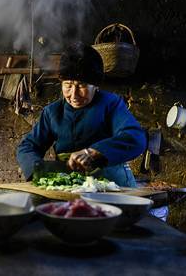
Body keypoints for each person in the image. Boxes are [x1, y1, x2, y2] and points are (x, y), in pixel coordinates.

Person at [16, 42, 147, 187]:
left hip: (114, 187)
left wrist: (94, 152)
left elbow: (135, 137)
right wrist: (37, 170)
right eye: (68, 85)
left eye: (81, 86)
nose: (74, 94)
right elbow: (28, 146)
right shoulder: (52, 112)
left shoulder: (111, 104)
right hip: (70, 188)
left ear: (96, 85)